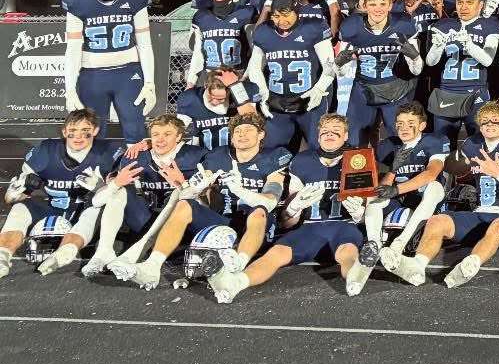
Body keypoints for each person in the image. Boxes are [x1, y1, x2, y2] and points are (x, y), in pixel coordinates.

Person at [207, 113, 372, 303]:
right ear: (318, 135)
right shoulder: (302, 160)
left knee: (348, 253)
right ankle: (235, 284)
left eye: (336, 131)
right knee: (275, 253)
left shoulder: (359, 159)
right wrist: (294, 207)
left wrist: (359, 213)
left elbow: (368, 215)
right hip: (309, 228)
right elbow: (287, 222)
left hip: (344, 227)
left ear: (346, 135)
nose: (329, 134)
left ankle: (354, 279)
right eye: (325, 131)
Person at [132, 112, 290, 289]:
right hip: (223, 223)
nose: (242, 134)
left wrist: (240, 190)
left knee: (259, 211)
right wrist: (186, 186)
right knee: (184, 205)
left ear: (261, 134)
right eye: (237, 131)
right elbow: (191, 192)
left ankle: (237, 264)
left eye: (248, 130)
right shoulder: (219, 156)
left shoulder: (274, 157)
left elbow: (270, 202)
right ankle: (152, 265)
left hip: (257, 226)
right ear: (231, 137)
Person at [391, 101, 499, 288]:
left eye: (495, 121)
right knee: (437, 221)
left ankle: (469, 265)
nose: (489, 124)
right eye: (484, 121)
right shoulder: (472, 144)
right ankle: (417, 266)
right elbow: (450, 167)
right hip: (479, 213)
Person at [0, 108, 120, 279]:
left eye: (85, 131)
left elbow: (118, 195)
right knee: (20, 208)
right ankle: (2, 255)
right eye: (73, 131)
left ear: (95, 131)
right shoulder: (47, 151)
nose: (78, 137)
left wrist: (100, 187)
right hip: (53, 207)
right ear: (64, 132)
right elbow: (13, 198)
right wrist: (14, 192)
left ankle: (65, 252)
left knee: (95, 210)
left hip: (85, 210)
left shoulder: (107, 153)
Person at [101, 114, 208, 287]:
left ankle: (135, 255)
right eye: (156, 134)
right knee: (119, 190)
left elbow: (207, 201)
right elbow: (105, 193)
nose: (160, 139)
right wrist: (115, 183)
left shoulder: (197, 156)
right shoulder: (135, 155)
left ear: (179, 137)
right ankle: (103, 253)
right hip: (144, 219)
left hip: (181, 225)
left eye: (167, 134)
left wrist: (183, 184)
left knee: (180, 196)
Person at [61, 0, 157, 151]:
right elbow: (73, 49)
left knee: (135, 126)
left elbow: (145, 43)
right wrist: (69, 88)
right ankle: (94, 167)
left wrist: (149, 82)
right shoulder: (78, 1)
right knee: (92, 130)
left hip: (128, 73)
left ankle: (138, 167)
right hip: (93, 75)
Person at [365, 102, 450, 291]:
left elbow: (431, 174)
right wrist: (393, 169)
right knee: (373, 196)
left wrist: (396, 190)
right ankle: (374, 245)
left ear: (422, 125)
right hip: (400, 201)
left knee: (434, 187)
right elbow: (383, 188)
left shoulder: (434, 140)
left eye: (410, 123)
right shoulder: (389, 145)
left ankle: (399, 243)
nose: (404, 128)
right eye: (400, 123)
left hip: (426, 201)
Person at [246, 0, 339, 152]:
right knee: (270, 150)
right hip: (277, 101)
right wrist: (262, 92)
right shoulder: (264, 31)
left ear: (297, 12)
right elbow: (255, 66)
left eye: (286, 15)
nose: (281, 20)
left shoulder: (313, 27)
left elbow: (330, 65)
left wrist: (319, 88)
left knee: (319, 148)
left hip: (310, 99)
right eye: (276, 16)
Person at [337, 0, 423, 143]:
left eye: (383, 4)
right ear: (365, 6)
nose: (378, 9)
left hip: (396, 90)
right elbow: (341, 72)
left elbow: (416, 70)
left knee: (402, 140)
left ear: (390, 5)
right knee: (355, 140)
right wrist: (339, 64)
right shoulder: (352, 27)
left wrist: (415, 57)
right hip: (364, 90)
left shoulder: (403, 24)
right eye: (373, 4)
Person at [424, 0, 499, 142]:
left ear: (480, 5)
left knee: (479, 144)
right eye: (460, 2)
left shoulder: (490, 25)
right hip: (447, 92)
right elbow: (431, 62)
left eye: (469, 2)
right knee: (443, 145)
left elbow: (487, 60)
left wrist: (469, 44)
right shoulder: (444, 25)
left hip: (476, 93)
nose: (464, 7)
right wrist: (438, 46)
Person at [186, 0, 256, 88]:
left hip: (237, 75)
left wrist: (246, 76)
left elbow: (255, 52)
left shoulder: (245, 13)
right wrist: (191, 81)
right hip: (210, 77)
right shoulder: (201, 16)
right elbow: (198, 53)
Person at [177, 69, 254, 152]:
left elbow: (251, 119)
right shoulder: (191, 98)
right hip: (206, 154)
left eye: (220, 99)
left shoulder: (242, 93)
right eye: (211, 96)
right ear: (205, 86)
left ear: (230, 92)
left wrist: (235, 87)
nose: (214, 102)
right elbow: (177, 131)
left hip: (237, 154)